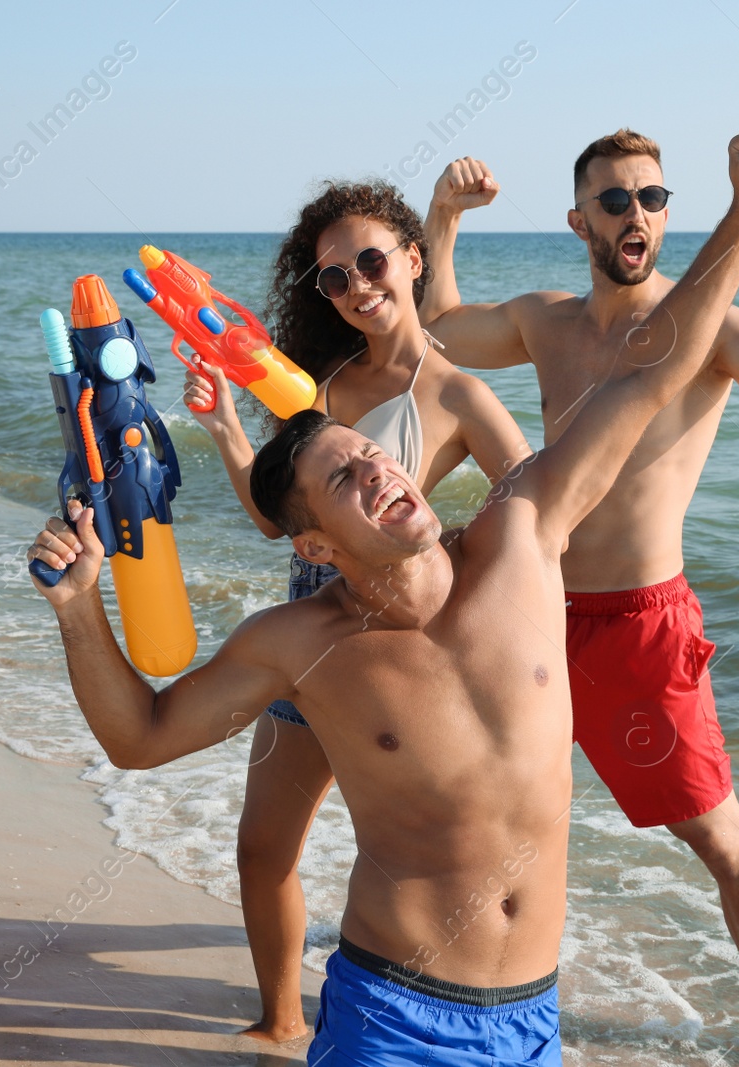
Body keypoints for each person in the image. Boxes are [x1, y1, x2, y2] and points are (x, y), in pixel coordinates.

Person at [26, 128, 739, 1067]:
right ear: (315, 542)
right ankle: (282, 1016)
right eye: (346, 477)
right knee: (263, 848)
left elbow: (654, 369)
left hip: (534, 1024)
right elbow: (138, 737)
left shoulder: (521, 541)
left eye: (371, 453)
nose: (379, 468)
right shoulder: (301, 643)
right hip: (393, 1018)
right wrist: (79, 607)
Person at [419, 130, 739, 1052]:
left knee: (720, 840)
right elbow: (438, 326)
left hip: (641, 625)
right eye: (617, 201)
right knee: (485, 811)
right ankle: (476, 995)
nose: (638, 215)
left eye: (655, 199)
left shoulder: (709, 332)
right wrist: (441, 219)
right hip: (535, 609)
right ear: (581, 219)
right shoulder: (547, 319)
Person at [182, 180, 531, 1042]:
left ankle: (438, 1021)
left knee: (416, 864)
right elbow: (278, 523)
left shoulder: (459, 394)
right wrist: (228, 423)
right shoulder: (315, 381)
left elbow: (536, 514)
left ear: (414, 260)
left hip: (396, 662)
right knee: (265, 847)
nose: (356, 286)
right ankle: (280, 1023)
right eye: (333, 279)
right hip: (309, 641)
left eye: (371, 261)